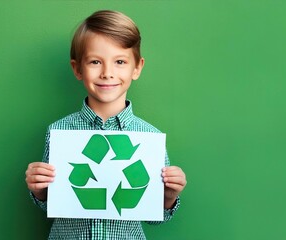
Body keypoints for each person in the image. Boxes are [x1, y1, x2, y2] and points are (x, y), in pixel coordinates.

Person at [25, 10, 187, 239]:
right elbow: (53, 206)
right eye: (95, 62)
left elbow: (154, 217)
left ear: (137, 67)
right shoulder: (59, 132)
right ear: (77, 68)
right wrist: (40, 191)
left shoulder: (150, 138)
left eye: (120, 61)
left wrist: (168, 196)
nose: (107, 73)